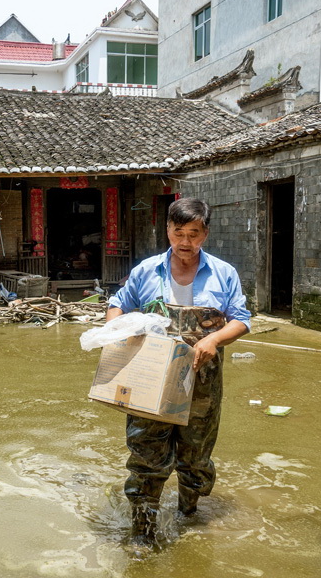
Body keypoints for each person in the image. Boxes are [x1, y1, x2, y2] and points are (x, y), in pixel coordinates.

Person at [105, 198, 251, 547]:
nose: (185, 242)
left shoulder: (223, 273)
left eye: (194, 234)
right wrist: (117, 333)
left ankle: (189, 513)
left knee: (196, 455)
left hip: (202, 381)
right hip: (151, 381)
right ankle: (143, 529)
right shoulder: (146, 271)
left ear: (206, 233)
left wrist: (214, 338)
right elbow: (117, 306)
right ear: (167, 230)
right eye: (178, 232)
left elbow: (242, 320)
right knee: (146, 454)